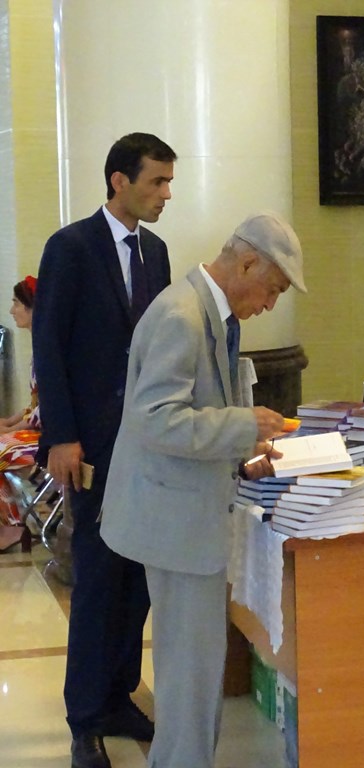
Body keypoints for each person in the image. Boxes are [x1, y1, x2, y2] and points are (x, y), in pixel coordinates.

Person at [100, 211, 307, 768]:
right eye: (272, 289)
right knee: (190, 675)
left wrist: (244, 456)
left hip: (186, 511)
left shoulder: (207, 313)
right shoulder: (183, 316)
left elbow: (197, 413)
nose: (269, 305)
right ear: (246, 263)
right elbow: (156, 420)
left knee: (194, 668)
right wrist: (244, 426)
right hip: (174, 523)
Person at [32, 132, 177, 768]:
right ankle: (85, 719)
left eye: (169, 183)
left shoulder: (158, 253)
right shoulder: (70, 248)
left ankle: (118, 695)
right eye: (156, 182)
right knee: (95, 580)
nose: (166, 194)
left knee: (137, 581)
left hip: (148, 449)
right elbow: (50, 348)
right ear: (118, 180)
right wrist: (61, 436)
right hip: (89, 445)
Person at [0, 276, 40, 433]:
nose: (11, 310)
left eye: (16, 303)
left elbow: (46, 411)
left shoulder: (47, 352)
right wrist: (8, 421)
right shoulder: (39, 347)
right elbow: (35, 405)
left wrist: (10, 430)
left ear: (32, 307)